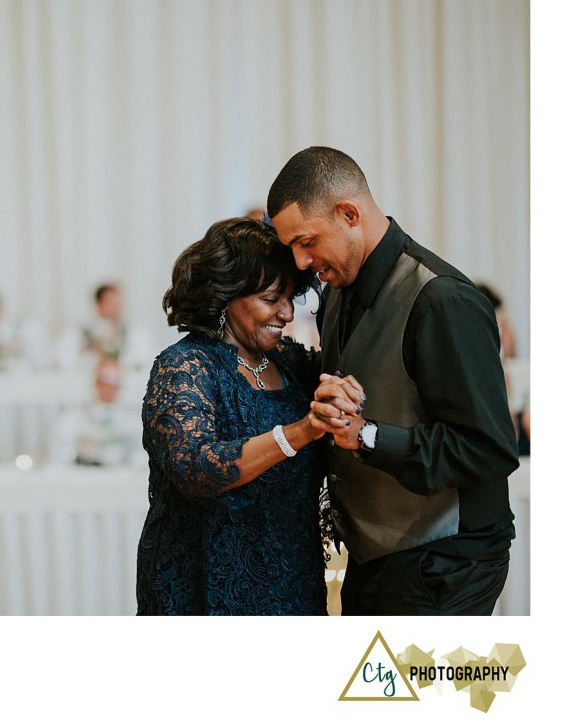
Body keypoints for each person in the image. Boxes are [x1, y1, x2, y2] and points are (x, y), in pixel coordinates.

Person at [268, 145, 520, 615]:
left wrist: (365, 434)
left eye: (306, 242)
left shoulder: (442, 300)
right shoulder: (339, 289)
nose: (301, 263)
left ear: (348, 214)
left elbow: (488, 450)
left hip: (445, 562)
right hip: (377, 556)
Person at [136, 217, 337, 615]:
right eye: (270, 299)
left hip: (293, 581)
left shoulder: (294, 365)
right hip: (203, 586)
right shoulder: (186, 367)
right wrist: (298, 432)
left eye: (290, 299)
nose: (286, 314)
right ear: (226, 296)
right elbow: (196, 466)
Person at [50, 358, 146, 467]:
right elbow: (62, 457)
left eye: (114, 382)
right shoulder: (73, 418)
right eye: (105, 381)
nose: (109, 387)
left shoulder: (133, 420)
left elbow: (140, 457)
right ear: (96, 382)